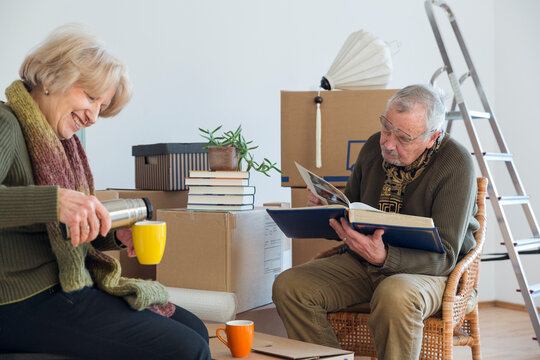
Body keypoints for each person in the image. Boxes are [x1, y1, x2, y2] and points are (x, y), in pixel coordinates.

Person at [0, 25, 211, 360]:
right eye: (91, 97)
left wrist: (112, 237)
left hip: (65, 286)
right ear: (53, 78)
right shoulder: (6, 122)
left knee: (195, 330)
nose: (95, 116)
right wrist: (56, 202)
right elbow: (50, 210)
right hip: (20, 299)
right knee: (187, 349)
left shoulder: (61, 145)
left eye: (103, 106)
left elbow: (59, 232)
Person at [272, 84, 479, 360]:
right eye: (386, 128)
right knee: (290, 286)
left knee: (394, 293)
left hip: (432, 274)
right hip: (364, 263)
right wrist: (328, 211)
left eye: (403, 138)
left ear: (433, 137)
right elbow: (352, 209)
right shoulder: (373, 147)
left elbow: (448, 257)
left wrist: (385, 258)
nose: (388, 143)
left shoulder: (456, 163)